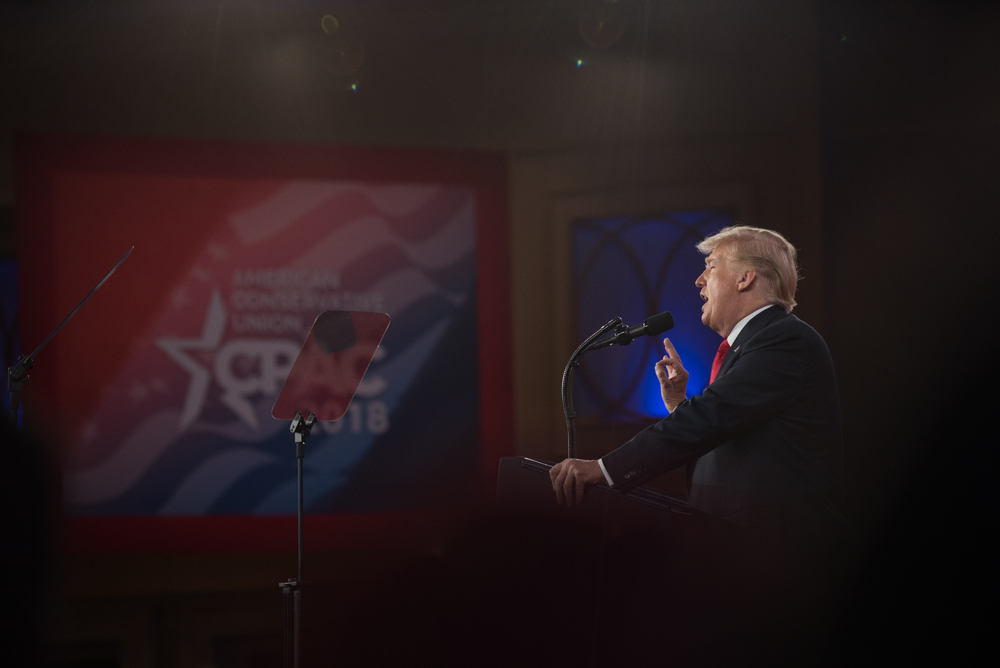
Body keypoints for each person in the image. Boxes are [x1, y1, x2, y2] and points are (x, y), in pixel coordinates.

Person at [550, 225, 850, 548]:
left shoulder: (784, 340)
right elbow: (724, 434)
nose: (699, 280)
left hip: (784, 558)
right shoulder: (754, 347)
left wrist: (603, 469)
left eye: (712, 266)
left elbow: (709, 418)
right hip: (742, 554)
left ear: (745, 278)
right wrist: (680, 405)